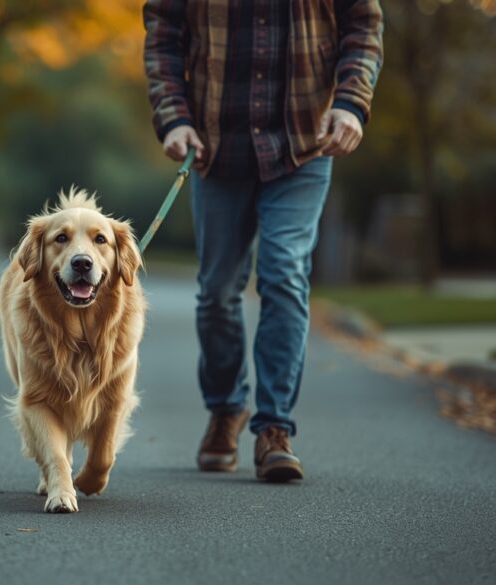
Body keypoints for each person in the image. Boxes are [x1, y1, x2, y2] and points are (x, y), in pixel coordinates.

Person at [143, 0, 383, 481]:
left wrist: (351, 101)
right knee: (216, 292)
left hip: (302, 142)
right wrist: (174, 117)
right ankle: (226, 409)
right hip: (215, 145)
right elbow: (163, 35)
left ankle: (274, 428)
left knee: (284, 273)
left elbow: (364, 25)